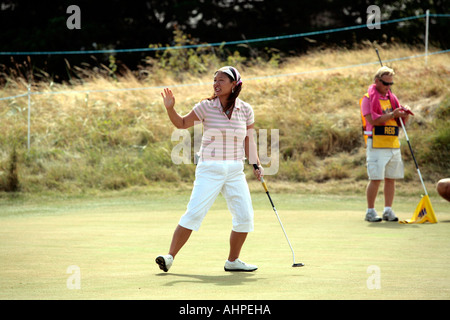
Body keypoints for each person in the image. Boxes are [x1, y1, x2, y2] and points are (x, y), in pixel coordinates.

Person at [156, 66, 263, 272]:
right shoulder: (206, 106)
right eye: (215, 80)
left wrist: (256, 164)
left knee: (245, 217)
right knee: (194, 213)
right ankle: (169, 257)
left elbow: (249, 141)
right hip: (210, 168)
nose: (216, 84)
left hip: (235, 170)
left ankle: (233, 261)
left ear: (234, 84)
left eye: (221, 80)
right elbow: (182, 124)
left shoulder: (246, 110)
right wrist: (170, 108)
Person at [360, 66, 411, 222]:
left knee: (391, 178)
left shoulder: (392, 98)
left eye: (391, 84)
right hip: (376, 143)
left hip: (393, 143)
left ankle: (388, 210)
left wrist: (405, 114)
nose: (388, 87)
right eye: (385, 83)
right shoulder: (367, 98)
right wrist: (392, 114)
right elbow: (373, 120)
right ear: (377, 81)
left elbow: (400, 123)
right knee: (375, 178)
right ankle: (370, 211)